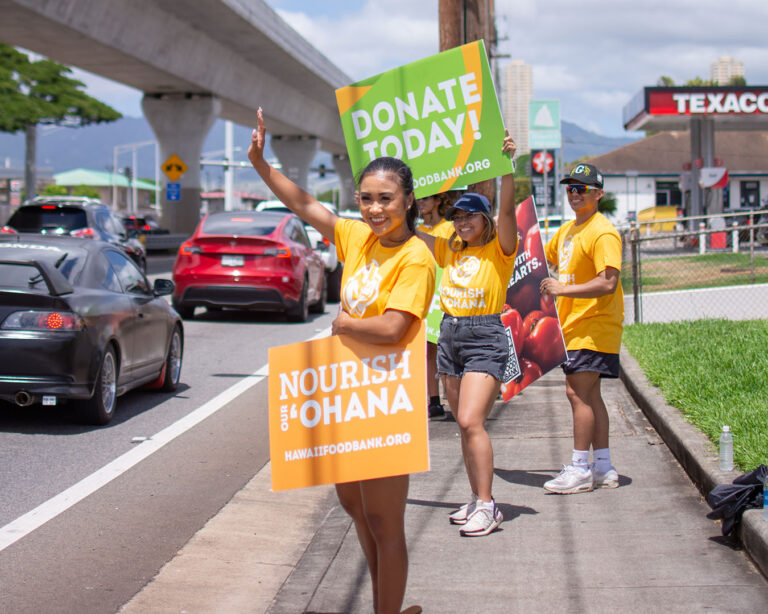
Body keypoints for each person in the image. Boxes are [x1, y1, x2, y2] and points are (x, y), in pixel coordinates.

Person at [248, 109, 434, 614]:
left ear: (408, 200)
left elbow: (396, 328)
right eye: (367, 198)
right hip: (345, 392)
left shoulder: (416, 256)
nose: (376, 209)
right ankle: (387, 606)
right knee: (354, 507)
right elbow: (306, 204)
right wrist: (262, 166)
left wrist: (347, 325)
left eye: (386, 199)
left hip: (387, 394)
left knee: (384, 520)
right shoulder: (358, 237)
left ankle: (387, 610)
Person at [416, 133, 517, 537]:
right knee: (461, 422)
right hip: (450, 335)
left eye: (470, 216)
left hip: (484, 335)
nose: (462, 222)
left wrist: (508, 165)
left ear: (486, 219)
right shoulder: (450, 247)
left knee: (473, 420)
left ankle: (489, 506)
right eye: (457, 216)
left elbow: (508, 209)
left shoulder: (500, 249)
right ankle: (476, 498)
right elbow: (409, 234)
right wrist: (390, 201)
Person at [539, 163, 624, 494]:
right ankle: (603, 467)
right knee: (591, 395)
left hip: (594, 325)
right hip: (573, 326)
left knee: (576, 393)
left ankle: (579, 469)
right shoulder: (566, 231)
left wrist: (563, 289)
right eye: (571, 188)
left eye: (583, 189)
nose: (575, 194)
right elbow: (539, 257)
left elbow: (608, 282)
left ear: (599, 194)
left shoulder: (603, 232)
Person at [416, 190, 462, 419]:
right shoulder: (417, 230)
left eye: (425, 198)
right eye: (418, 199)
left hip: (447, 293)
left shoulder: (449, 227)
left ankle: (453, 398)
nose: (421, 203)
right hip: (425, 292)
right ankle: (434, 401)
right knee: (428, 348)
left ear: (437, 200)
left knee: (448, 347)